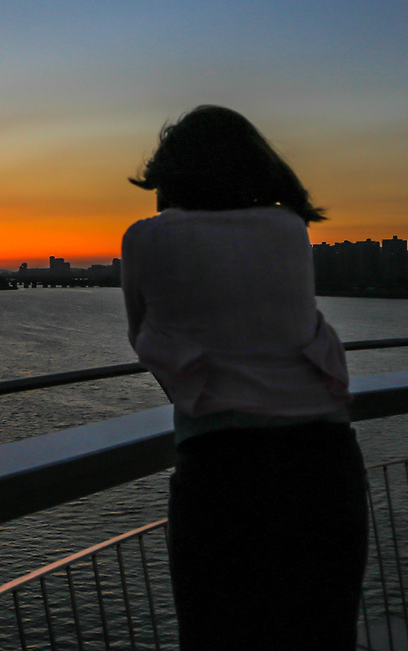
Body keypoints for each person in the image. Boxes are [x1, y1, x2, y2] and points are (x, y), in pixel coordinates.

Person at [121, 105, 367, 649]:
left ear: (171, 175)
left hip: (224, 470)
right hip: (327, 463)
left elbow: (149, 346)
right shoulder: (289, 228)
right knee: (324, 637)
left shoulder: (145, 239)